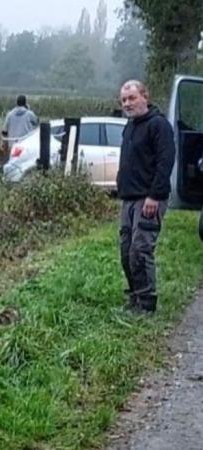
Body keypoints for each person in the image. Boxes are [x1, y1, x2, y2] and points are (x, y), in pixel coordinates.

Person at [117, 79, 175, 314]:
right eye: (123, 100)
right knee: (126, 251)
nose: (127, 104)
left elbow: (165, 162)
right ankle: (134, 297)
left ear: (145, 97)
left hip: (149, 199)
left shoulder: (158, 125)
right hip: (129, 199)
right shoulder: (130, 126)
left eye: (132, 98)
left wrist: (155, 196)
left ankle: (147, 304)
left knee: (140, 251)